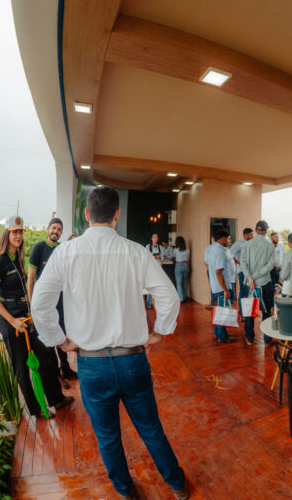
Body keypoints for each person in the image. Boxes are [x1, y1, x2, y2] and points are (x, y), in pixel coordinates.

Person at [31, 187, 188, 500]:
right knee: (151, 428)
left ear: (86, 214)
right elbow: (169, 296)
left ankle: (125, 491)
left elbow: (40, 303)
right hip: (133, 360)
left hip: (91, 364)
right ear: (117, 215)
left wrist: (60, 340)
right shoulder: (136, 252)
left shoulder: (66, 253)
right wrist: (160, 331)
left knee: (107, 436)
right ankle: (177, 485)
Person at [0, 215, 73, 419]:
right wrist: (12, 321)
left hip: (26, 317)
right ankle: (35, 410)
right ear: (7, 234)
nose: (18, 236)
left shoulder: (17, 258)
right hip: (11, 321)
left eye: (20, 232)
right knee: (22, 367)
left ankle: (56, 399)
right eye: (14, 232)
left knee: (46, 355)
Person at [27, 217, 78, 388]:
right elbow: (31, 277)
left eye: (59, 229)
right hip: (44, 302)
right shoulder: (39, 248)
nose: (56, 231)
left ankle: (66, 369)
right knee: (49, 336)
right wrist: (31, 303)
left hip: (61, 300)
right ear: (48, 229)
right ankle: (56, 375)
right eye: (54, 228)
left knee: (61, 333)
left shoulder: (62, 249)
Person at [241, 220, 275, 345]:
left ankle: (250, 338)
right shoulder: (270, 245)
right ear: (266, 231)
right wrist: (256, 276)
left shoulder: (248, 244)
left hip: (249, 284)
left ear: (256, 230)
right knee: (266, 312)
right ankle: (266, 338)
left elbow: (243, 262)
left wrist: (250, 278)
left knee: (249, 311)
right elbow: (270, 265)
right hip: (265, 283)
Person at [205, 230, 237, 343]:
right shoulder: (220, 252)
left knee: (220, 310)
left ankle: (220, 333)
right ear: (222, 239)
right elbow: (219, 272)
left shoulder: (211, 248)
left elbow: (208, 264)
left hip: (217, 285)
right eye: (228, 238)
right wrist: (225, 290)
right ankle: (222, 336)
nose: (228, 241)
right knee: (223, 311)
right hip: (222, 287)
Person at [230, 228, 254, 303]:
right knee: (243, 291)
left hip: (251, 272)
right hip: (242, 271)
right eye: (251, 235)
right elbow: (230, 254)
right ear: (245, 235)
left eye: (252, 234)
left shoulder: (252, 244)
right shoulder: (238, 244)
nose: (252, 236)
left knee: (249, 292)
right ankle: (241, 309)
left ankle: (247, 309)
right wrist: (240, 263)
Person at [145, 234, 163, 308]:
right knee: (150, 285)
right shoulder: (148, 246)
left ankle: (158, 303)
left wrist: (159, 256)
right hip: (151, 268)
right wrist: (154, 256)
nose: (155, 238)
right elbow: (146, 256)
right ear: (151, 238)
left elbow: (162, 257)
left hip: (159, 268)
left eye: (156, 237)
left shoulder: (160, 247)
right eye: (154, 237)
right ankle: (149, 303)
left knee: (158, 286)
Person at [173, 236, 190, 302]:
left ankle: (180, 298)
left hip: (179, 265)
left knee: (179, 283)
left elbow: (173, 257)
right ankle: (184, 297)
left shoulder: (176, 250)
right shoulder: (188, 250)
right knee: (184, 282)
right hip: (186, 265)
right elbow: (188, 258)